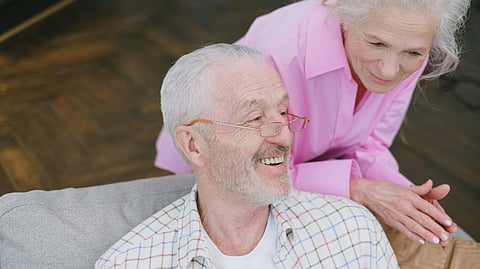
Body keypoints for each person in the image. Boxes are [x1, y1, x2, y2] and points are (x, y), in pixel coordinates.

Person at [154, 0, 471, 247]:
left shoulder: (410, 44)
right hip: (227, 171)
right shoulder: (281, 54)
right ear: (346, 18)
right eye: (376, 44)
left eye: (413, 52)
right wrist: (360, 190)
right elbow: (249, 170)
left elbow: (370, 143)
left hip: (300, 170)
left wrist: (404, 197)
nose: (389, 70)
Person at [95, 43, 398, 268]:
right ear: (194, 145)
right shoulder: (128, 263)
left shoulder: (353, 229)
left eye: (282, 112)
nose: (282, 134)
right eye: (254, 118)